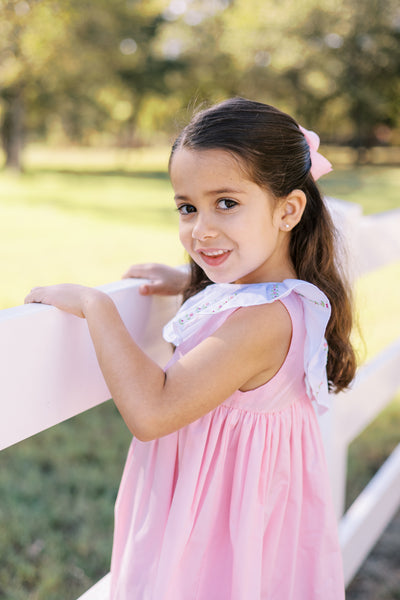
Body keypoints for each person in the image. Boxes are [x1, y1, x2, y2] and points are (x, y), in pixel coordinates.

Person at [25, 98, 356, 599]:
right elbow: (244, 299)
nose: (200, 230)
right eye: (187, 207)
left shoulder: (261, 322)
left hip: (214, 535)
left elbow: (153, 411)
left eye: (227, 203)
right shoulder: (284, 298)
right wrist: (188, 280)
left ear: (288, 209)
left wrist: (98, 307)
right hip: (241, 519)